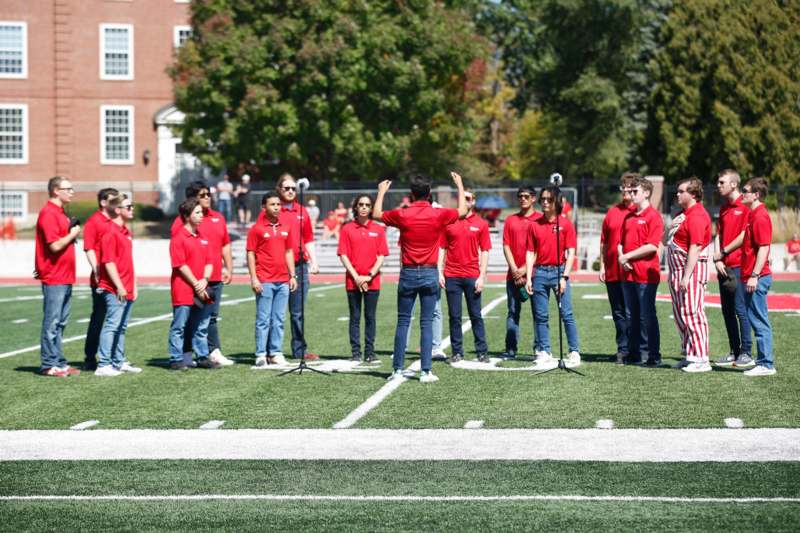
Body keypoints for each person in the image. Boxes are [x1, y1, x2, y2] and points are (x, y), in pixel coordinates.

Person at [374, 172, 467, 383]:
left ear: (411, 194)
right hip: (429, 272)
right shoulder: (438, 214)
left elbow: (376, 214)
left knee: (403, 322)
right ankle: (426, 371)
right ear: (429, 193)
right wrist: (459, 185)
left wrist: (381, 192)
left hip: (408, 272)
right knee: (426, 323)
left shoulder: (403, 214)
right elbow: (462, 211)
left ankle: (397, 369)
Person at [171, 181, 234, 367]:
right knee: (187, 319)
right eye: (203, 194)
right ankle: (184, 354)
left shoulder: (218, 218)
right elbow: (180, 258)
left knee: (209, 319)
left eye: (209, 194)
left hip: (211, 278)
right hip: (190, 281)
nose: (208, 197)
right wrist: (196, 281)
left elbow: (225, 244)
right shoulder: (181, 224)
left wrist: (228, 268)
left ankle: (211, 352)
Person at [525, 186, 580, 368]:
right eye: (543, 200)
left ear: (557, 201)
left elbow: (571, 252)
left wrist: (564, 277)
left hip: (559, 272)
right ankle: (544, 350)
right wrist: (529, 278)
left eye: (549, 199)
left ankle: (574, 350)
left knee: (567, 314)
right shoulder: (534, 224)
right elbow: (530, 252)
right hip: (539, 273)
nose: (545, 203)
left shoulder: (565, 224)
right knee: (541, 316)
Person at [35, 176, 82, 377]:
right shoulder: (48, 213)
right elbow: (53, 246)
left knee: (61, 322)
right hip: (54, 276)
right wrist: (73, 234)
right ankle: (48, 363)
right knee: (52, 322)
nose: (72, 192)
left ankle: (59, 361)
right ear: (56, 190)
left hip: (65, 275)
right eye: (68, 188)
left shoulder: (60, 213)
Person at [439, 188, 491, 363]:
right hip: (451, 276)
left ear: (473, 201)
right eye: (463, 198)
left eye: (468, 198)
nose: (466, 201)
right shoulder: (449, 222)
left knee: (476, 315)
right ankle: (457, 352)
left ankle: (482, 351)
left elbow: (485, 251)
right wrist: (440, 271)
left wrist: (482, 276)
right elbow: (442, 248)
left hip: (472, 275)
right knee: (454, 316)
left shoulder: (481, 224)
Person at [666, 178, 712, 373]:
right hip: (677, 272)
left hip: (690, 272)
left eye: (682, 191)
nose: (678, 194)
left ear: (693, 194)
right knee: (681, 315)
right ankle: (690, 354)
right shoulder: (682, 214)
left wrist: (686, 277)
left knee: (693, 313)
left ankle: (701, 358)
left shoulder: (697, 215)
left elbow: (695, 247)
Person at [167, 198, 220, 370]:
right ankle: (176, 358)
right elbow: (180, 265)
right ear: (187, 216)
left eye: (201, 212)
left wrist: (204, 279)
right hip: (183, 288)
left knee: (201, 324)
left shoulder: (202, 237)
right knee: (180, 325)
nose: (201, 215)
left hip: (201, 287)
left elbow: (210, 261)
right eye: (197, 212)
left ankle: (202, 356)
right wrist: (196, 283)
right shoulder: (178, 237)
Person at [247, 192, 298, 366]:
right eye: (272, 204)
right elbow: (251, 253)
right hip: (265, 280)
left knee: (279, 319)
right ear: (264, 207)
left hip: (283, 280)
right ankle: (261, 354)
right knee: (263, 319)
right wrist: (254, 278)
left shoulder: (286, 226)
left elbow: (289, 252)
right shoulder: (257, 229)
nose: (276, 207)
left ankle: (275, 352)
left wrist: (292, 275)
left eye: (278, 204)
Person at [618, 176, 663, 366]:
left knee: (647, 316)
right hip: (628, 274)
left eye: (635, 191)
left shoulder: (654, 216)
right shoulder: (628, 216)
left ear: (646, 193)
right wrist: (622, 257)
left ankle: (653, 355)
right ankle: (634, 353)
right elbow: (620, 242)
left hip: (645, 274)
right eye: (630, 191)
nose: (631, 194)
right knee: (631, 316)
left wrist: (627, 257)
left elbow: (653, 246)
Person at [338, 195, 389, 363]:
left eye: (368, 205)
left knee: (370, 317)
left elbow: (381, 255)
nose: (364, 207)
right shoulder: (347, 228)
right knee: (355, 317)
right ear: (356, 207)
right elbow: (343, 254)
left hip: (372, 281)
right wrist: (357, 277)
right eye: (361, 204)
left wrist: (369, 275)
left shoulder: (379, 229)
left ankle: (369, 352)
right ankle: (355, 353)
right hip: (353, 282)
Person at [95, 194, 141, 376]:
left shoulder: (126, 232)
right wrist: (120, 286)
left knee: (121, 326)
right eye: (128, 206)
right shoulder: (109, 232)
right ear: (118, 210)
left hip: (127, 287)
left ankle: (118, 361)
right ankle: (103, 364)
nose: (132, 209)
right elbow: (108, 262)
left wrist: (134, 286)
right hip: (114, 288)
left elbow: (128, 262)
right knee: (112, 325)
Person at [711, 169, 752, 368]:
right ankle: (734, 351)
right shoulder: (724, 208)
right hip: (724, 266)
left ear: (734, 184)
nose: (718, 186)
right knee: (727, 311)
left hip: (739, 265)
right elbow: (718, 234)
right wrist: (717, 259)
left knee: (739, 309)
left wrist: (724, 252)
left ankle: (746, 352)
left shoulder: (745, 207)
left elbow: (745, 235)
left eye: (721, 182)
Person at [276, 173, 320, 360]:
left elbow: (308, 238)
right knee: (274, 314)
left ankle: (299, 350)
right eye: (286, 188)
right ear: (279, 189)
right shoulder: (272, 209)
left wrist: (314, 260)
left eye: (293, 188)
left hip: (300, 266)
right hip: (278, 267)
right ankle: (272, 351)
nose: (291, 191)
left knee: (297, 312)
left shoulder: (302, 211)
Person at [739, 177, 776, 376]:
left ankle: (766, 363)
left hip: (757, 277)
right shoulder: (752, 214)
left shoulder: (760, 215)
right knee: (756, 319)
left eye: (745, 190)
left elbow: (764, 247)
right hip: (751, 275)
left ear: (756, 194)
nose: (742, 193)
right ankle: (763, 361)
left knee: (759, 320)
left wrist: (754, 275)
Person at [599, 174, 636, 363]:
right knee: (618, 313)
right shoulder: (612, 211)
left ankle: (636, 349)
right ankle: (622, 349)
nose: (625, 190)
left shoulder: (640, 211)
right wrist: (602, 266)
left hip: (632, 272)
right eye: (623, 186)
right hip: (613, 271)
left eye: (629, 187)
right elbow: (604, 240)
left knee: (633, 312)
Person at [501, 185, 541, 359]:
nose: (523, 199)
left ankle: (540, 348)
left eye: (526, 196)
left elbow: (541, 248)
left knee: (538, 314)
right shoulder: (510, 220)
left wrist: (525, 270)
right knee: (512, 313)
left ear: (533, 198)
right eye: (520, 196)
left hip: (535, 275)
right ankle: (511, 348)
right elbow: (506, 245)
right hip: (513, 275)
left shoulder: (541, 219)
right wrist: (515, 270)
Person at [82, 187, 119, 371]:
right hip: (102, 278)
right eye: (114, 200)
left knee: (117, 319)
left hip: (117, 277)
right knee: (99, 317)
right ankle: (90, 357)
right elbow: (89, 248)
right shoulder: (94, 222)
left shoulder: (115, 221)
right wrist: (96, 269)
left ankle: (116, 357)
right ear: (103, 203)